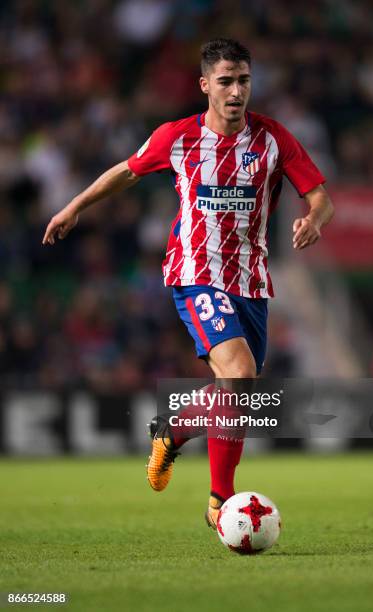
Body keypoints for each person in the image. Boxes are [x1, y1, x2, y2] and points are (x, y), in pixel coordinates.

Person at [42, 38, 334, 530]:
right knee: (238, 373)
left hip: (251, 280)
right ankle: (222, 503)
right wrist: (75, 207)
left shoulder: (273, 139)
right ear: (205, 86)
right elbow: (126, 172)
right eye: (225, 81)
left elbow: (320, 195)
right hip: (195, 272)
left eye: (243, 80)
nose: (236, 90)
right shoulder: (177, 137)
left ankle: (173, 430)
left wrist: (315, 219)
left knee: (237, 393)